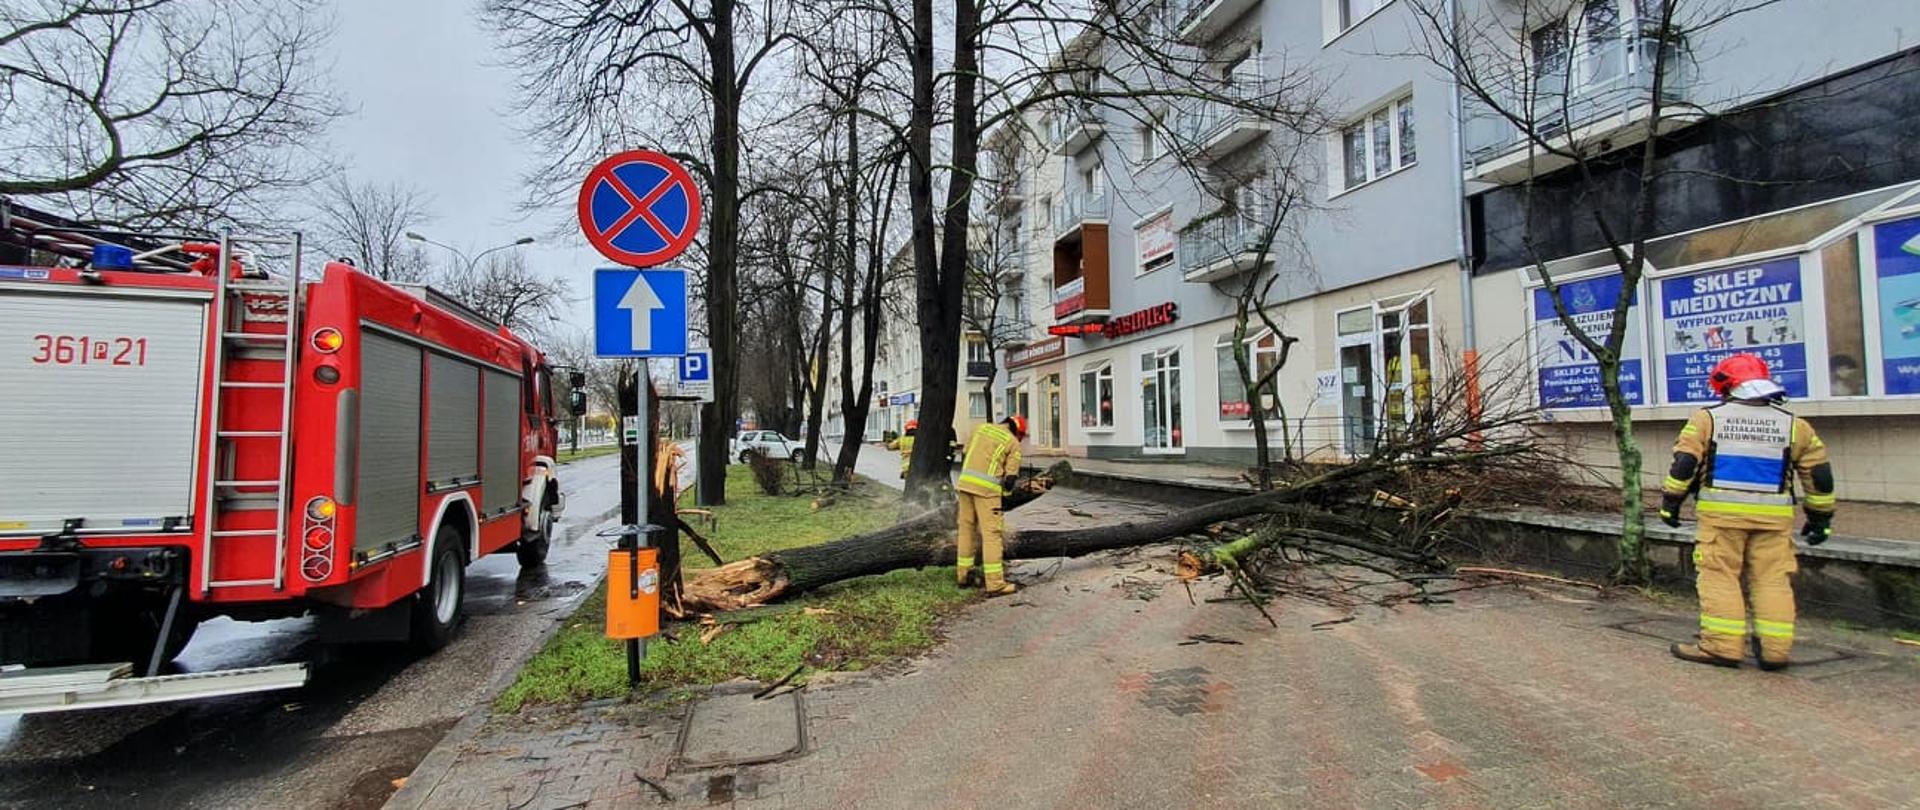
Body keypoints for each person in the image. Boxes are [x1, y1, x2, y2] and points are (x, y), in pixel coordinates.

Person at [1660, 353, 1836, 670]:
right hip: (1774, 520)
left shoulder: (1708, 419)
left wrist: (1671, 502)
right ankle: (1774, 651)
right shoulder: (1796, 426)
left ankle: (1721, 646)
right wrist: (1820, 518)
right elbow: (1819, 476)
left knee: (1720, 576)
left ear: (1724, 386)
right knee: (1772, 580)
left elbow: (1684, 465)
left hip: (1721, 519)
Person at [955, 415, 1026, 596]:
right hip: (987, 492)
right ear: (1017, 432)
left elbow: (965, 453)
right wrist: (1007, 495)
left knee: (966, 530)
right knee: (992, 535)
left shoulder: (981, 428)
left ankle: (963, 575)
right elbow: (1010, 480)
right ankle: (995, 584)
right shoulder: (1012, 443)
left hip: (964, 485)